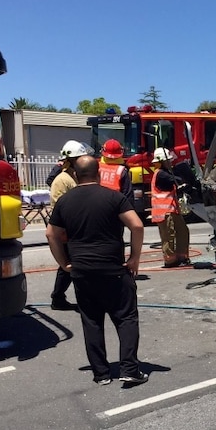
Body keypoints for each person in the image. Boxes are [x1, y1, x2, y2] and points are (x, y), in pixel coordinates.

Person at [45, 155, 148, 386]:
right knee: (126, 318)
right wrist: (134, 258)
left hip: (82, 271)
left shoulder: (65, 201)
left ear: (76, 175)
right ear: (98, 174)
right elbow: (137, 225)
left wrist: (64, 263)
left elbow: (51, 234)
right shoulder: (114, 198)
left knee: (91, 321)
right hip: (112, 269)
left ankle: (101, 373)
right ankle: (129, 368)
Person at [48, 140, 93, 311]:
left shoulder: (73, 177)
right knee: (71, 265)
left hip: (75, 228)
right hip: (68, 230)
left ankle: (58, 297)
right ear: (72, 161)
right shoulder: (62, 180)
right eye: (80, 158)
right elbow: (62, 207)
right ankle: (61, 298)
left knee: (68, 265)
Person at [151, 147, 191, 267]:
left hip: (171, 209)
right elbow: (175, 180)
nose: (170, 162)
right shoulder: (161, 174)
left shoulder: (165, 173)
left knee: (182, 231)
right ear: (162, 161)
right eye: (168, 160)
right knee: (169, 236)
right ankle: (170, 260)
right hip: (164, 212)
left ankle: (181, 257)